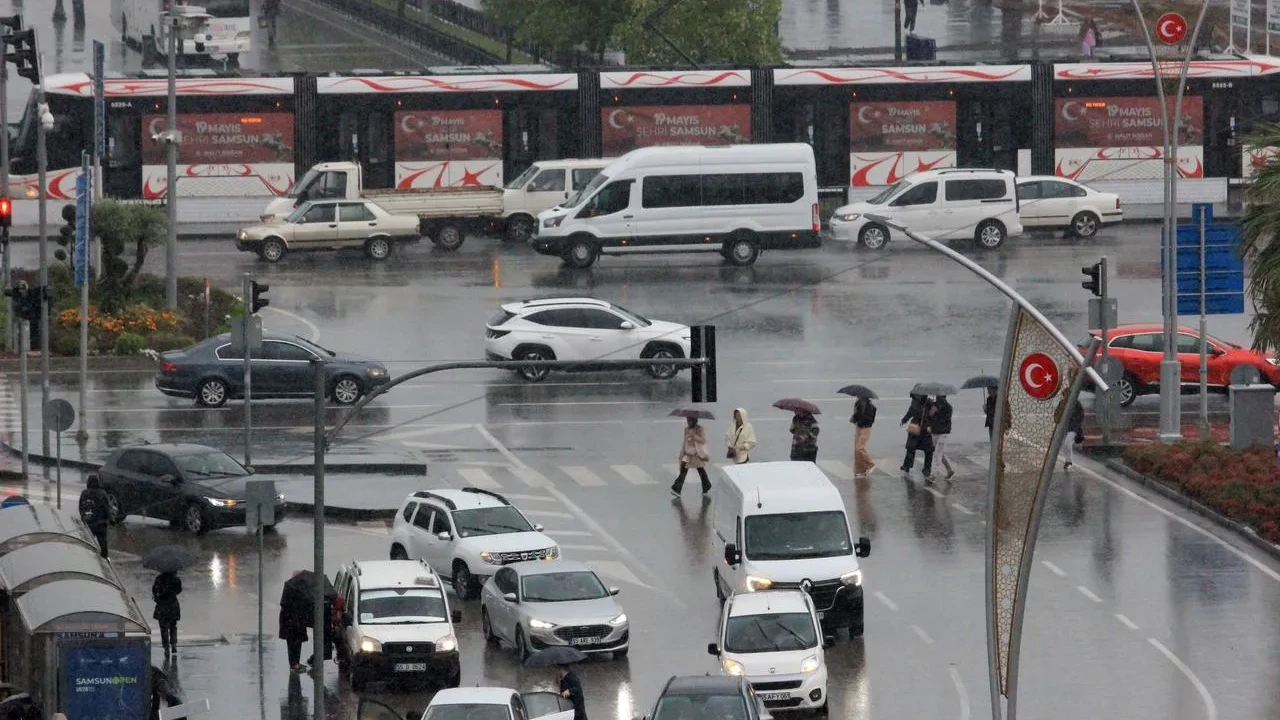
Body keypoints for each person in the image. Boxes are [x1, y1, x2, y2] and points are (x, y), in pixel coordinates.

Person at [279, 572, 311, 672]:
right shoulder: (293, 589)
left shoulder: (291, 587)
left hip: (293, 621)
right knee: (294, 643)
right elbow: (285, 603)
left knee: (295, 643)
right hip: (292, 621)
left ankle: (295, 662)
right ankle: (294, 664)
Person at [672, 416, 711, 496]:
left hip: (696, 454)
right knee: (683, 471)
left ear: (694, 420)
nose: (688, 422)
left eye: (690, 420)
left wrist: (694, 436)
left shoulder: (699, 429)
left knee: (701, 471)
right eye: (687, 420)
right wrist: (681, 453)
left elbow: (703, 440)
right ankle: (677, 489)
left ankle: (706, 486)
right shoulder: (686, 429)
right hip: (687, 454)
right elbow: (684, 442)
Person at [900, 395, 935, 480]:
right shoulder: (929, 403)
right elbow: (934, 416)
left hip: (918, 427)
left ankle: (908, 466)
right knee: (927, 450)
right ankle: (926, 469)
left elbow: (910, 412)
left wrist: (904, 420)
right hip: (923, 428)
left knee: (913, 448)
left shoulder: (918, 402)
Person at [78, 475, 111, 559]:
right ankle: (104, 558)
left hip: (89, 523)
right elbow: (107, 509)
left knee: (88, 542)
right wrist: (110, 519)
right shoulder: (103, 493)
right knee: (103, 543)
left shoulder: (84, 493)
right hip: (101, 524)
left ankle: (87, 558)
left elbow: (81, 507)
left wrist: (83, 517)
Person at [152, 570, 183, 656]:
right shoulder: (176, 579)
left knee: (163, 627)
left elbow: (154, 590)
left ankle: (166, 647)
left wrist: (158, 595)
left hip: (162, 605)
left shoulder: (159, 578)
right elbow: (179, 590)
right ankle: (173, 644)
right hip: (173, 605)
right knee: (173, 626)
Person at [851, 396, 877, 478]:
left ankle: (871, 464)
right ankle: (860, 470)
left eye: (859, 396)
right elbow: (856, 416)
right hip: (859, 427)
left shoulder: (869, 406)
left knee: (859, 448)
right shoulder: (858, 404)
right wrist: (855, 416)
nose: (857, 397)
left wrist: (861, 415)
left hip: (866, 428)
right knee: (856, 451)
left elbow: (870, 419)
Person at [930, 395, 955, 479]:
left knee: (937, 454)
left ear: (944, 397)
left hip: (943, 433)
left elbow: (946, 420)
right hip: (934, 432)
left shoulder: (948, 407)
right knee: (940, 453)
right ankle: (950, 470)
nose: (938, 398)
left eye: (940, 397)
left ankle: (933, 475)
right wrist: (932, 412)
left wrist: (937, 412)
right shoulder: (934, 405)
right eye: (937, 397)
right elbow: (929, 416)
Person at [1063, 397, 1085, 469]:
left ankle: (1069, 462)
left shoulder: (1076, 403)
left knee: (1067, 444)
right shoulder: (1063, 403)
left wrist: (1075, 420)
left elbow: (1081, 414)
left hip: (1073, 428)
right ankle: (1067, 461)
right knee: (1066, 445)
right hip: (1067, 427)